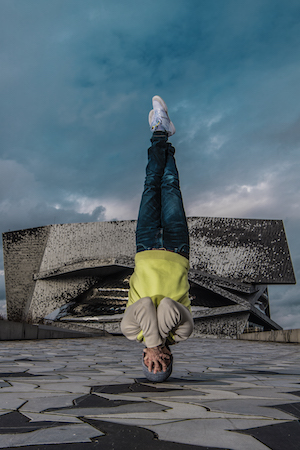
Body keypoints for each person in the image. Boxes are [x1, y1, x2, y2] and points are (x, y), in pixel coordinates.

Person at [121, 96, 194, 382]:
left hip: (146, 246)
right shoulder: (184, 332)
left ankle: (160, 133)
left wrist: (151, 341)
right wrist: (157, 340)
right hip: (177, 250)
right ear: (170, 359)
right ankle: (160, 133)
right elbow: (165, 307)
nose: (157, 361)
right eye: (162, 365)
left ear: (144, 358)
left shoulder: (130, 330)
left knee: (151, 184)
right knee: (171, 185)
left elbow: (143, 307)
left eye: (152, 365)